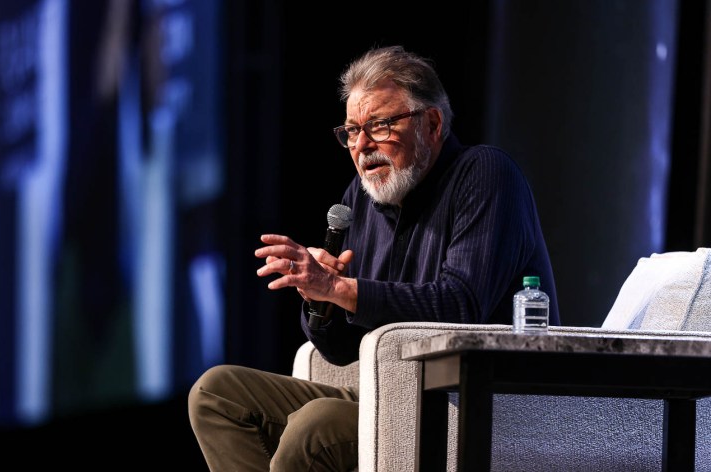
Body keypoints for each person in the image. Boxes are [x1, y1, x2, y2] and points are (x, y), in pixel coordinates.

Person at [188, 45, 560, 471]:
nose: (361, 145)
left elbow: (461, 306)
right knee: (216, 394)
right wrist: (320, 299)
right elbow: (340, 350)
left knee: (316, 426)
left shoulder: (485, 175)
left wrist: (343, 289)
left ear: (433, 123)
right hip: (389, 391)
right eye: (351, 131)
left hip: (474, 403)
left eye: (380, 125)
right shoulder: (361, 202)